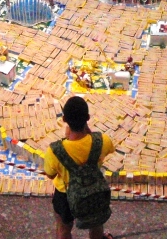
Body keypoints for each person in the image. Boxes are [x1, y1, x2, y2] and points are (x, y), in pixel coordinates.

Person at [44, 96, 115, 239]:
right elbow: (104, 148)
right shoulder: (103, 141)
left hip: (65, 195)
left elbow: (50, 175)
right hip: (94, 189)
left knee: (63, 228)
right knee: (96, 223)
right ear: (87, 118)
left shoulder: (55, 151)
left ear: (64, 119)